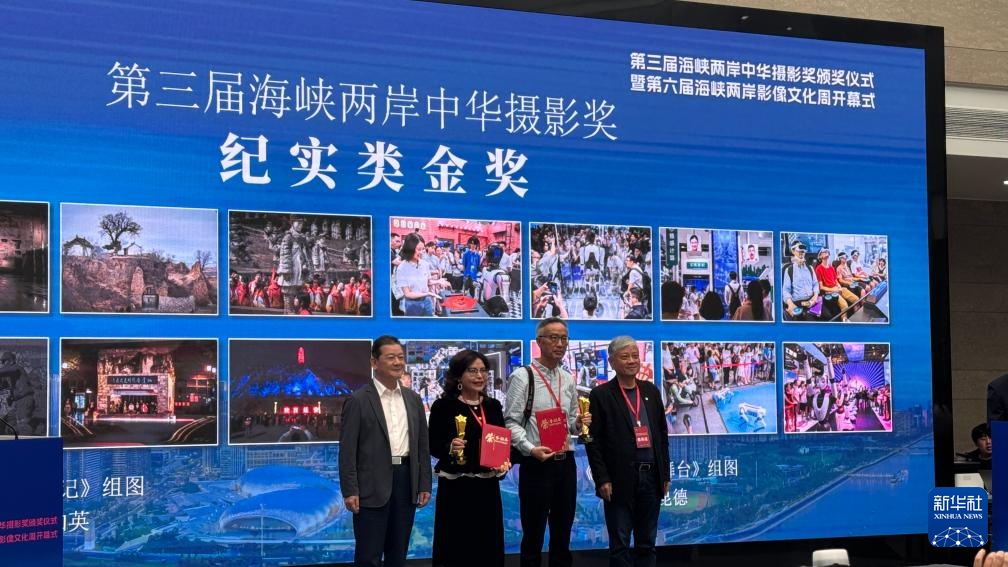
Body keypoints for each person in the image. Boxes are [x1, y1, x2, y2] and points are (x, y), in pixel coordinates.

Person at [339, 336, 432, 567]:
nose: (398, 362)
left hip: (406, 481)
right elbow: (347, 451)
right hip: (371, 485)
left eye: (400, 357)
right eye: (391, 357)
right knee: (368, 556)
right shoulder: (358, 400)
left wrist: (424, 484)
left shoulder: (413, 399)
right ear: (374, 362)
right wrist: (350, 490)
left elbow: (422, 446)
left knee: (398, 554)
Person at [505, 317, 591, 567]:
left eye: (564, 338)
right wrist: (530, 449)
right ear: (539, 341)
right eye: (553, 338)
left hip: (565, 463)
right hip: (536, 464)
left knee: (563, 535)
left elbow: (571, 420)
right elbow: (510, 422)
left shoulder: (568, 378)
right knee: (533, 535)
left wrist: (579, 423)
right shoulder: (523, 376)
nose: (560, 344)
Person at [586, 336, 670, 567]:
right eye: (625, 357)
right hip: (619, 479)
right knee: (620, 546)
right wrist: (602, 478)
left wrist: (665, 474)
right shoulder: (601, 395)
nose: (632, 361)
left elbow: (662, 436)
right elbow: (593, 441)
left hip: (651, 478)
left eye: (635, 356)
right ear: (612, 362)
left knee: (647, 544)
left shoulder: (650, 391)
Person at [429, 350, 509, 567]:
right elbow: (433, 444)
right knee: (456, 547)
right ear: (458, 375)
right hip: (456, 488)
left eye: (483, 371)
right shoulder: (443, 406)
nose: (479, 376)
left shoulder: (493, 406)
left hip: (487, 487)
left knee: (487, 546)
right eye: (472, 371)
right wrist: (450, 447)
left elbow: (502, 441)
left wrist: (503, 463)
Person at [394, 233, 438, 316]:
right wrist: (427, 293)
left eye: (423, 249)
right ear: (410, 249)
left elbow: (428, 282)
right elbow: (407, 294)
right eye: (419, 249)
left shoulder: (425, 264)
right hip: (412, 304)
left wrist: (439, 281)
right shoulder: (402, 268)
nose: (421, 252)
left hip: (427, 302)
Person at [782, 240, 820, 321]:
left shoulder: (810, 268)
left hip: (812, 300)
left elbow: (815, 284)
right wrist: (790, 304)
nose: (801, 253)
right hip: (798, 303)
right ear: (793, 251)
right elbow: (785, 290)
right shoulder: (789, 270)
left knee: (828, 315)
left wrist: (815, 296)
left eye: (803, 251)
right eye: (799, 251)